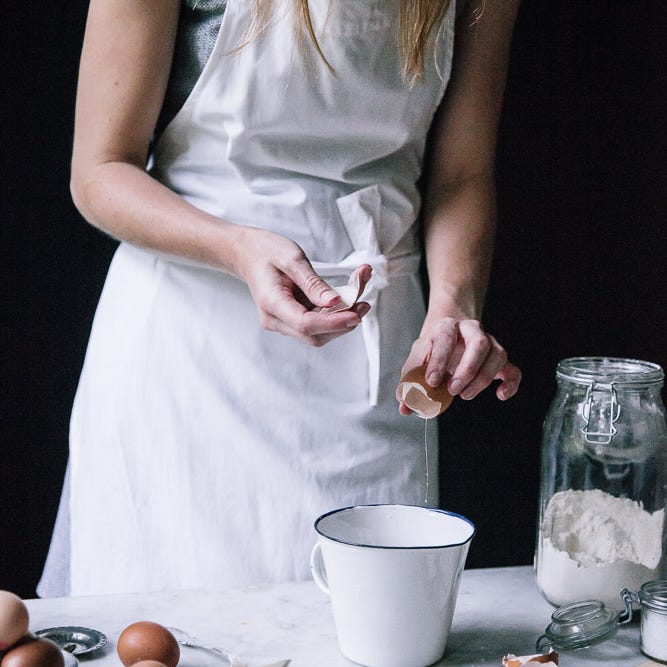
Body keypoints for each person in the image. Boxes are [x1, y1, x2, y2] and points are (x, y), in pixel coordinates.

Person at [39, 0, 522, 597]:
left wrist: (454, 308)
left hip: (378, 357)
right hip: (188, 350)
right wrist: (236, 248)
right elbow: (99, 171)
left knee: (368, 628)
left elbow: (463, 174)